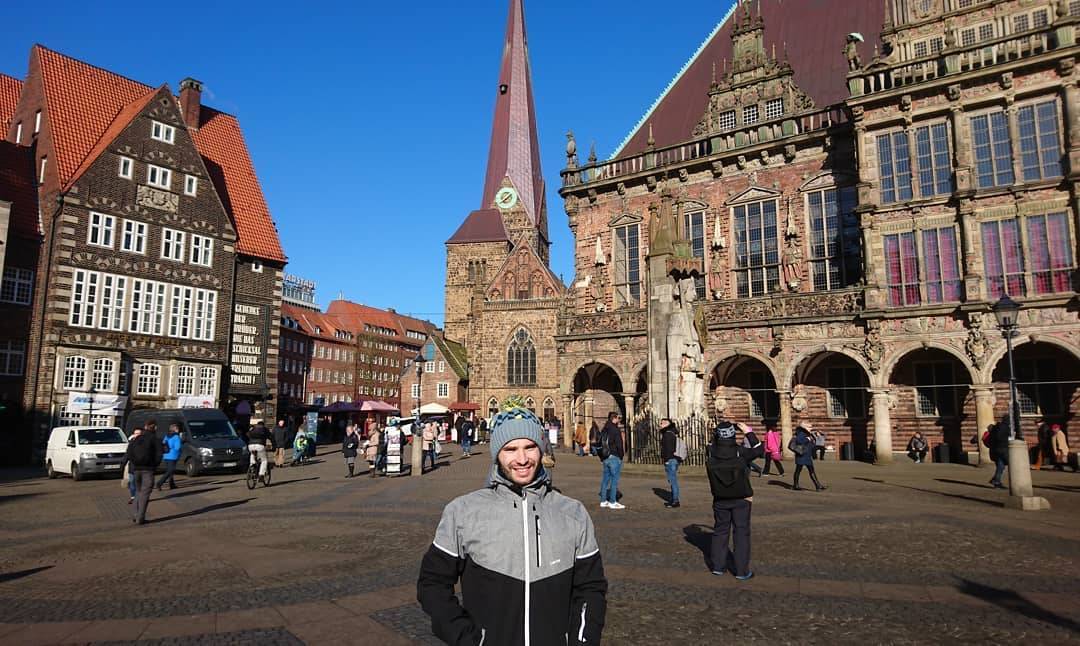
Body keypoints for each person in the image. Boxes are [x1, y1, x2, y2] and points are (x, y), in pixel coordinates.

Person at [417, 407, 607, 645]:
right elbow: (432, 583)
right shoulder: (463, 512)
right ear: (497, 454)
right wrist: (467, 638)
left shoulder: (573, 513)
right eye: (510, 449)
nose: (522, 459)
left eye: (529, 447)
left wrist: (582, 641)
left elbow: (591, 588)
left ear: (541, 449)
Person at [706, 420, 759, 580]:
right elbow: (759, 449)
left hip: (720, 498)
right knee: (741, 533)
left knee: (720, 531)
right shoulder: (740, 452)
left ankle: (718, 567)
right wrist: (748, 431)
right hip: (741, 497)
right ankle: (742, 571)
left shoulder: (710, 451)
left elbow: (712, 443)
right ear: (733, 434)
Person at [126, 425, 162, 525]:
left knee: (138, 492)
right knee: (145, 494)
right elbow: (159, 454)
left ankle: (135, 514)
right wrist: (154, 465)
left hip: (136, 469)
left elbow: (129, 453)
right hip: (148, 470)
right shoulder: (155, 440)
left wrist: (134, 464)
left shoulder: (135, 440)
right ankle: (140, 518)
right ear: (155, 428)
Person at [597, 412, 626, 510]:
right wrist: (621, 456)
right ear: (614, 418)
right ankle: (613, 501)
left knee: (605, 480)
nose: (619, 420)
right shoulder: (615, 429)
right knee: (614, 481)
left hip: (605, 457)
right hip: (614, 456)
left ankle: (603, 501)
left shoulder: (604, 429)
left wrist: (602, 457)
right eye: (618, 418)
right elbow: (619, 444)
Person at [793, 423, 826, 491]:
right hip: (801, 455)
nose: (811, 428)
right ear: (805, 427)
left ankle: (818, 485)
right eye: (809, 427)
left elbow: (811, 443)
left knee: (811, 471)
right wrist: (808, 439)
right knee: (798, 470)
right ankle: (796, 485)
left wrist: (812, 442)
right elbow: (799, 441)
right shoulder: (801, 433)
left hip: (807, 455)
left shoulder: (808, 433)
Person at [659, 418, 681, 508]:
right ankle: (673, 499)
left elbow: (669, 448)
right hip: (673, 459)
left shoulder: (667, 434)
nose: (660, 424)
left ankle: (675, 501)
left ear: (667, 424)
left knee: (673, 481)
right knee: (672, 480)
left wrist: (667, 460)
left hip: (670, 460)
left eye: (662, 423)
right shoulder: (671, 433)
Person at [155, 423, 182, 491]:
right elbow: (177, 447)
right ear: (175, 429)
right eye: (177, 429)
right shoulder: (176, 437)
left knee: (169, 470)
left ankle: (172, 484)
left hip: (166, 455)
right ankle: (159, 483)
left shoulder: (167, 436)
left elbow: (163, 444)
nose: (178, 430)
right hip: (173, 455)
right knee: (170, 470)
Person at [989, 413, 1012, 489]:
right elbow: (1002, 437)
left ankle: (996, 481)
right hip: (1003, 448)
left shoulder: (997, 426)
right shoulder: (1005, 427)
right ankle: (1017, 482)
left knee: (1000, 466)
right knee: (1012, 463)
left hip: (996, 449)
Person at [122, 427, 143, 504]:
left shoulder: (145, 443)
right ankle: (133, 497)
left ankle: (140, 497)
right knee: (132, 482)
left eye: (139, 434)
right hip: (133, 467)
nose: (137, 435)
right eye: (136, 433)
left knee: (140, 483)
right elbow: (127, 454)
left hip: (141, 467)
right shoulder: (131, 444)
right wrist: (123, 464)